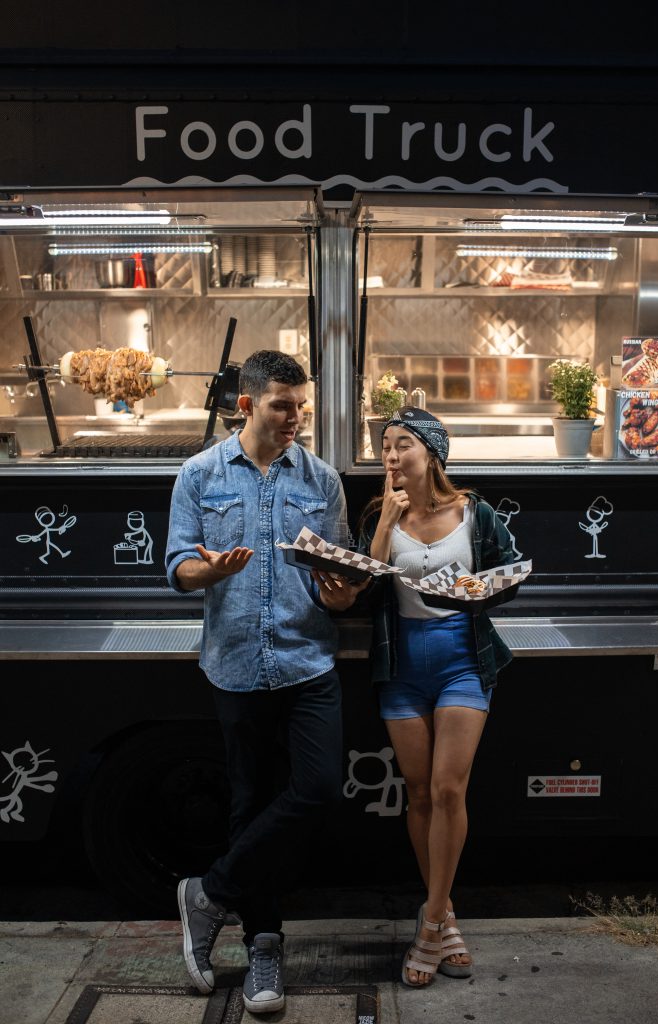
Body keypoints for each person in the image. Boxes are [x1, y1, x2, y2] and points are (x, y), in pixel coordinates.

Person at [165, 349, 362, 1014]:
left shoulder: (322, 479)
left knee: (318, 788)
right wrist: (211, 570)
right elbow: (178, 567)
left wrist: (341, 594)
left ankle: (208, 893)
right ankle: (264, 946)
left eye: (300, 405)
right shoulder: (199, 474)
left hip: (308, 660)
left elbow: (335, 578)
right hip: (236, 662)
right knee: (249, 805)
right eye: (281, 405)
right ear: (246, 405)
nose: (294, 417)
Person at [357, 407, 518, 989]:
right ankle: (445, 915)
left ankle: (428, 928)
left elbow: (508, 573)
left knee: (449, 789)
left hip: (461, 661)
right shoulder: (380, 514)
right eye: (385, 446)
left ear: (432, 453)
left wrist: (478, 590)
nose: (392, 456)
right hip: (401, 664)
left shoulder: (474, 513)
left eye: (403, 444)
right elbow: (363, 588)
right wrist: (383, 524)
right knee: (420, 793)